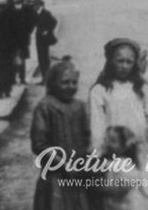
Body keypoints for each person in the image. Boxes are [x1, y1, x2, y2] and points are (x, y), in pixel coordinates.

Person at [31, 57, 92, 210]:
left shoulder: (80, 107)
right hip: (55, 177)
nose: (70, 87)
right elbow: (39, 144)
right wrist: (63, 164)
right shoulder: (45, 107)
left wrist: (86, 162)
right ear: (52, 83)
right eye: (64, 82)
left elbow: (88, 137)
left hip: (78, 174)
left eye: (74, 82)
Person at [89, 38, 148, 155]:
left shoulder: (141, 88)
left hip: (140, 146)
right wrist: (98, 151)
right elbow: (97, 125)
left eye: (129, 62)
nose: (124, 66)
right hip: (114, 149)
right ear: (111, 61)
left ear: (134, 64)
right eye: (120, 61)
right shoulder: (100, 90)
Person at [97, 125, 148, 210]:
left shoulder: (126, 166)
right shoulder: (104, 160)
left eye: (113, 140)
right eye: (106, 139)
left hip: (127, 205)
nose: (107, 143)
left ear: (123, 147)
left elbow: (123, 185)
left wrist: (105, 188)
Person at [33, 0, 58, 83]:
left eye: (35, 5)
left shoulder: (46, 13)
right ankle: (44, 78)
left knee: (45, 59)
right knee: (41, 58)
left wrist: (47, 30)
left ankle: (46, 78)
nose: (34, 7)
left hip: (45, 39)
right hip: (39, 39)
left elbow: (54, 22)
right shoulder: (35, 13)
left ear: (39, 5)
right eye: (33, 5)